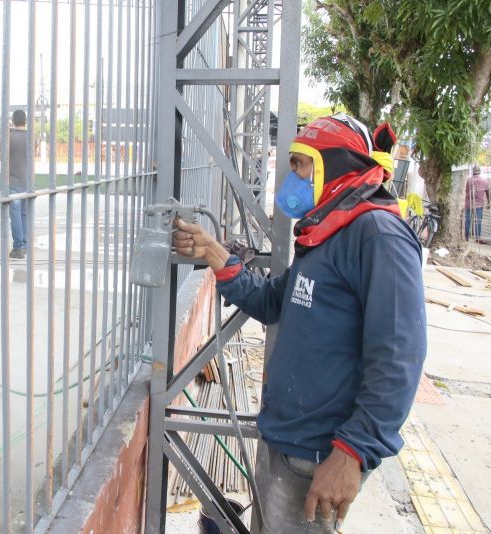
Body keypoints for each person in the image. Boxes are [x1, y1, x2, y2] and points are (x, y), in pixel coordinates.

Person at [172, 114, 426, 533]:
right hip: (286, 441)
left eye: (299, 165)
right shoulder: (327, 236)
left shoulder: (378, 235)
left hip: (320, 456)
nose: (292, 178)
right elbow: (275, 302)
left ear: (335, 167)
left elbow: (399, 358)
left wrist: (352, 453)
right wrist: (216, 254)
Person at [0, 109, 29, 257]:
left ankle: (18, 248)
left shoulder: (7, 137)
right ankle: (25, 244)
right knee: (24, 214)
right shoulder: (32, 137)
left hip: (13, 181)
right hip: (28, 182)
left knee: (15, 215)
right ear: (25, 120)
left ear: (13, 120)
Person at [464, 166, 490, 242]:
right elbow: (488, 193)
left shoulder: (468, 180)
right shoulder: (485, 181)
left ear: (473, 171)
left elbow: (465, 191)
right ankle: (477, 238)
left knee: (467, 220)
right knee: (478, 221)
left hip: (468, 204)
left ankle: (466, 237)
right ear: (479, 171)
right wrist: (489, 203)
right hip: (479, 204)